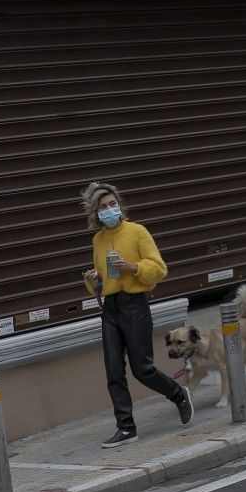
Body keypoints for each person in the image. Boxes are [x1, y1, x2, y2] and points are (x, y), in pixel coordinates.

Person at [81, 182, 193, 448]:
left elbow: (159, 268)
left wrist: (133, 267)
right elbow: (102, 280)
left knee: (142, 369)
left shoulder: (137, 231)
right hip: (111, 308)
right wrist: (93, 280)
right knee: (113, 370)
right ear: (95, 214)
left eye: (112, 204)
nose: (109, 210)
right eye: (103, 207)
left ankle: (178, 394)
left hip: (135, 304)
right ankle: (126, 427)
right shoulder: (97, 240)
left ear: (119, 205)